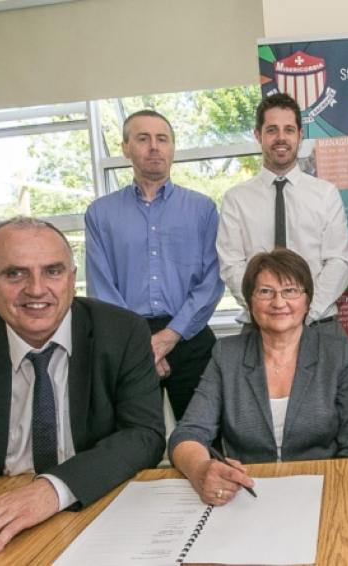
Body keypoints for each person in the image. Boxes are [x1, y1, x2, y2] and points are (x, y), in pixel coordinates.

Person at [0, 217, 165, 564]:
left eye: (53, 271)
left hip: (91, 503)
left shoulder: (122, 332)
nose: (36, 288)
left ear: (73, 279)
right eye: (14, 273)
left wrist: (52, 489)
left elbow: (144, 435)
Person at [169, 249, 348, 506]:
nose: (278, 302)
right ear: (250, 301)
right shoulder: (227, 355)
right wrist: (200, 470)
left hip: (322, 490)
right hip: (248, 494)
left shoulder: (334, 353)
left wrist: (338, 498)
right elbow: (187, 433)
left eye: (290, 291)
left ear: (307, 300)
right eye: (265, 291)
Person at [85, 109, 224, 420]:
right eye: (143, 138)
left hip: (190, 337)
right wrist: (141, 344)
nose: (154, 147)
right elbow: (100, 287)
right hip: (126, 343)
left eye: (162, 139)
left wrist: (169, 336)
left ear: (172, 148)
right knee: (133, 443)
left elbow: (213, 280)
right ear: (125, 148)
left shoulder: (202, 209)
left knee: (204, 441)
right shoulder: (100, 214)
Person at [217, 93, 348, 337]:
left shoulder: (325, 194)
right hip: (258, 328)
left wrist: (304, 313)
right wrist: (267, 311)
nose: (281, 138)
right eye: (272, 130)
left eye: (289, 129)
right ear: (258, 135)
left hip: (317, 325)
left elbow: (339, 262)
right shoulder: (235, 199)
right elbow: (231, 265)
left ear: (300, 136)